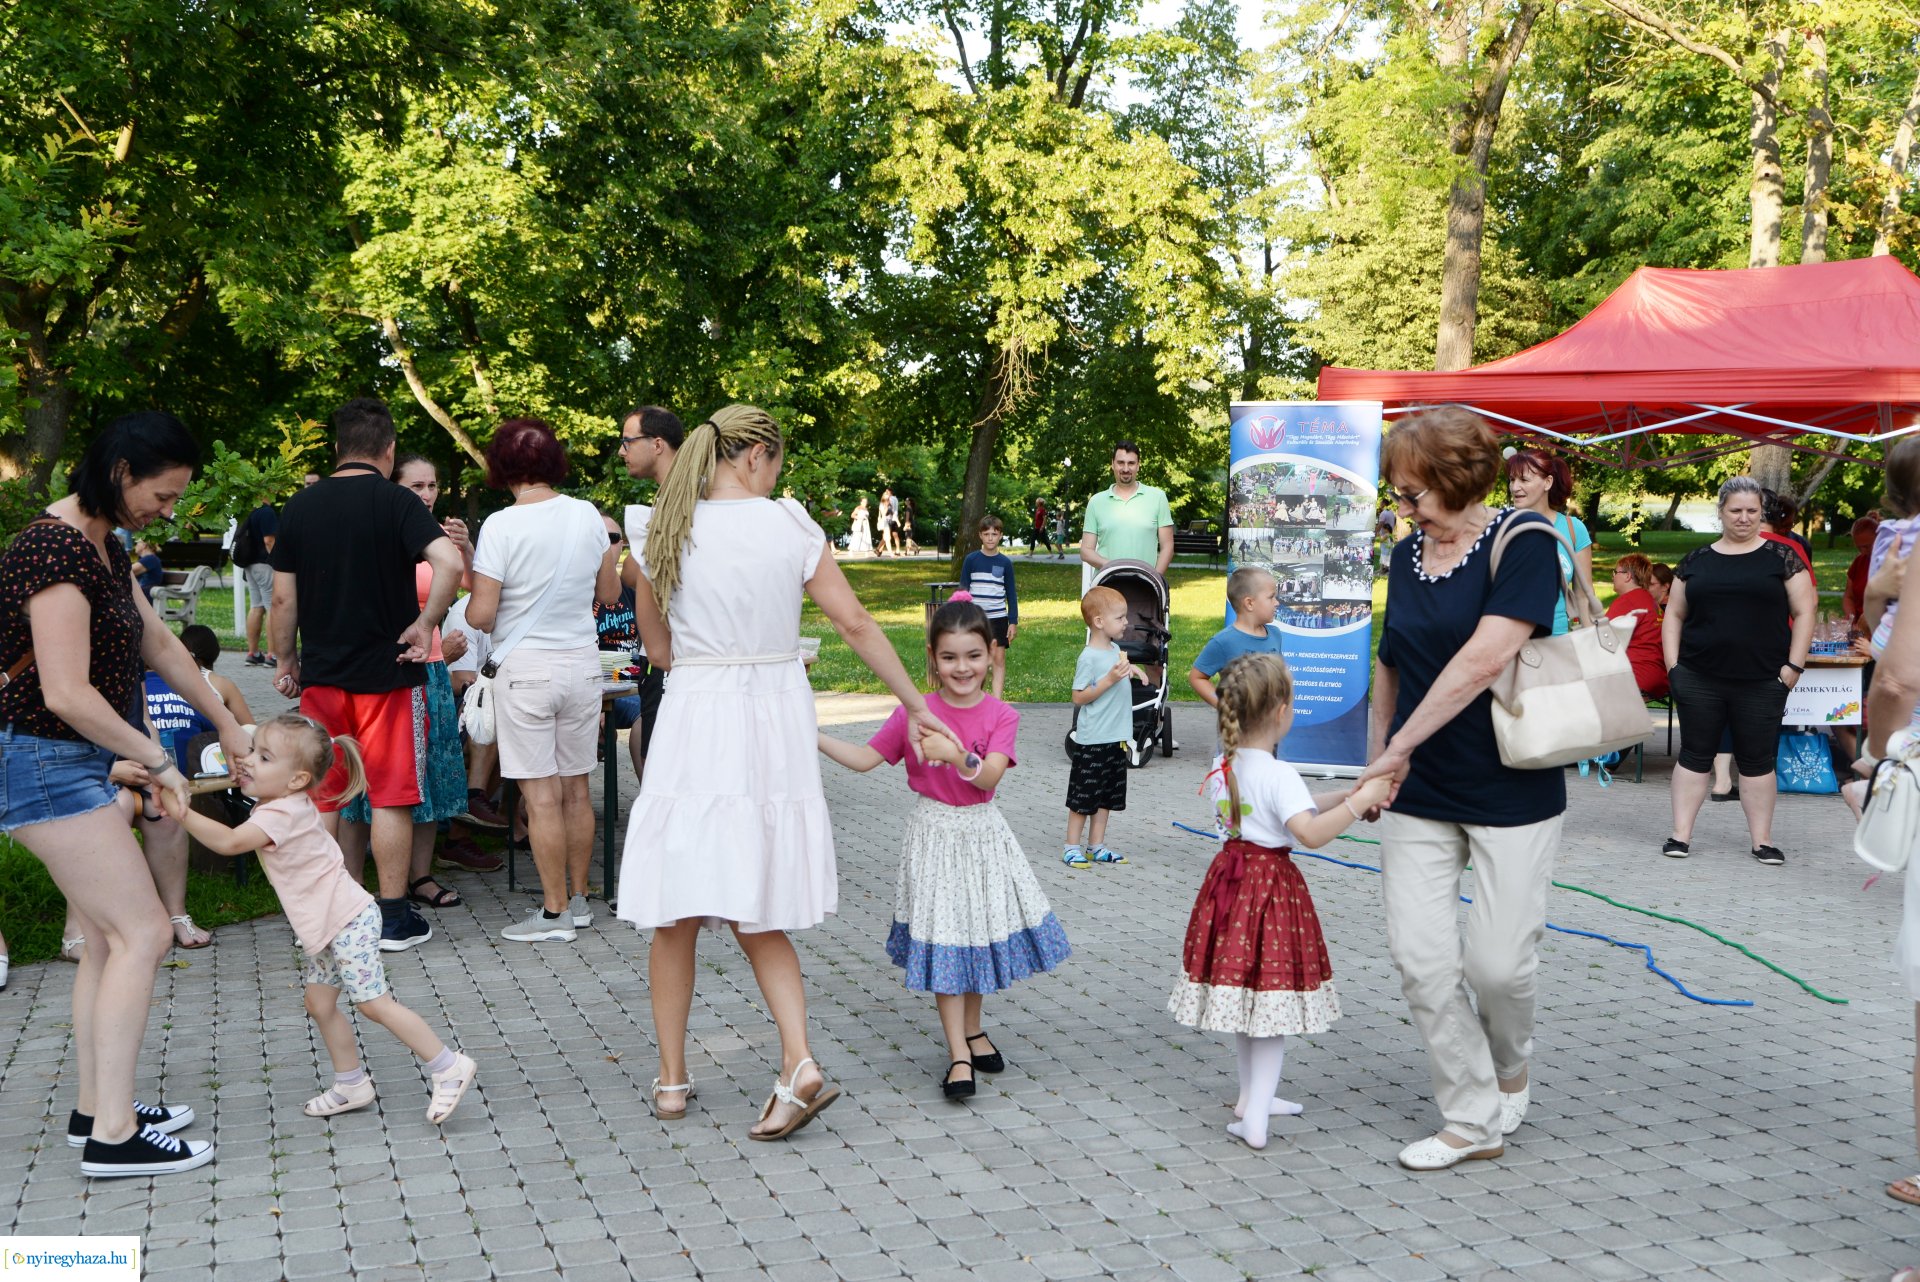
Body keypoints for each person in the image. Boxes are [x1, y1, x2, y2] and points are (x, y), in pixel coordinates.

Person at [614, 404, 961, 1139]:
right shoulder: (789, 526)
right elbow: (856, 624)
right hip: (771, 715)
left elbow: (660, 651)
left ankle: (673, 1081)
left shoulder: (659, 530)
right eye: (777, 464)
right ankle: (798, 1059)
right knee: (758, 902)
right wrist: (914, 705)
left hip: (697, 712)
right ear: (756, 457)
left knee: (675, 906)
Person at [0, 411, 251, 1177]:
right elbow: (68, 692)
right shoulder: (52, 547)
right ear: (121, 473)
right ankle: (114, 1137)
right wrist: (157, 759)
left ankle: (95, 1108)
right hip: (43, 760)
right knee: (143, 932)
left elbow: (165, 646)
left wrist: (225, 725)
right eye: (163, 494)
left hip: (65, 758)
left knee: (110, 940)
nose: (168, 510)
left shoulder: (106, 546)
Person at [1357, 407, 1567, 1172]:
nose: (1403, 509)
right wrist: (1382, 751)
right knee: (1421, 959)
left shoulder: (1525, 544)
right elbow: (1393, 658)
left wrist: (1395, 751)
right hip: (1418, 789)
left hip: (1511, 783)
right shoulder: (1409, 555)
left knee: (1499, 968)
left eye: (1414, 494)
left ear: (1459, 481)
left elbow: (1484, 661)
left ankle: (1510, 1064)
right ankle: (1472, 1118)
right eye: (1398, 495)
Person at [162, 714, 478, 1125]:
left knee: (374, 1004)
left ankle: (447, 1066)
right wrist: (246, 767)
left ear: (296, 780)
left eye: (264, 757)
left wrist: (178, 809)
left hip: (347, 920)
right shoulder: (277, 801)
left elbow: (229, 842)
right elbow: (251, 785)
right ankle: (351, 1084)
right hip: (329, 926)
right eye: (254, 752)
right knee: (319, 1002)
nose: (250, 762)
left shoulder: (281, 814)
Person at [817, 598, 1069, 1101]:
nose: (963, 668)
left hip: (981, 837)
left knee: (977, 937)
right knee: (948, 939)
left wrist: (957, 755)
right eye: (950, 657)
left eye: (973, 656)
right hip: (933, 838)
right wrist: (813, 735)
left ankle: (974, 1031)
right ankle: (958, 1051)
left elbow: (990, 777)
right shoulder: (917, 711)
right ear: (933, 658)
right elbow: (867, 759)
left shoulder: (1002, 715)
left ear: (992, 655)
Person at [1171, 653, 1391, 1150]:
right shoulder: (1279, 774)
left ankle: (1253, 1100)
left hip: (1229, 886)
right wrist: (1358, 803)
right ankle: (1256, 1121)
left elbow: (1293, 804)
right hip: (1270, 893)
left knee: (1249, 1002)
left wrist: (1350, 791)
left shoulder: (1224, 767)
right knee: (1270, 1008)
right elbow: (1308, 832)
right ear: (1281, 712)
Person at [269, 398, 464, 952]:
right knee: (390, 797)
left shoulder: (301, 506)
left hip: (324, 676)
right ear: (389, 449)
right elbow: (448, 563)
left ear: (337, 447)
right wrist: (425, 625)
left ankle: (324, 913)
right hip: (387, 674)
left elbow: (283, 598)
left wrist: (287, 661)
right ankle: (394, 917)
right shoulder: (397, 502)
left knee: (325, 795)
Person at [464, 420, 621, 943]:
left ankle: (553, 915)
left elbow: (483, 616)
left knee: (540, 797)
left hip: (527, 669)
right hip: (582, 664)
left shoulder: (500, 526)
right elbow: (609, 591)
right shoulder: (587, 516)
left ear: (501, 466)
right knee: (577, 789)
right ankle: (578, 903)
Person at [336, 454, 485, 893]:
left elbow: (475, 595)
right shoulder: (380, 530)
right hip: (387, 669)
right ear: (394, 487)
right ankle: (351, 882)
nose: (426, 495)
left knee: (432, 777)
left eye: (432, 486)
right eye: (415, 486)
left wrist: (468, 551)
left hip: (434, 668)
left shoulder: (440, 537)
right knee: (372, 778)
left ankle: (421, 876)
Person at [1661, 476, 1815, 865]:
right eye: (1736, 510)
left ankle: (1762, 841)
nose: (1744, 518)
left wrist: (1793, 666)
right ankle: (1680, 835)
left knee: (1757, 760)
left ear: (1761, 512)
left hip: (1764, 678)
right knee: (1694, 754)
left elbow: (1805, 611)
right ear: (1721, 513)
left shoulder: (1783, 558)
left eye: (1752, 511)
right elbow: (1674, 615)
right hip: (1698, 676)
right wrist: (1673, 666)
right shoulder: (1696, 561)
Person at [616, 405, 682, 788]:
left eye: (628, 441)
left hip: (675, 660)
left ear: (657, 444)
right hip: (672, 658)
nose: (622, 451)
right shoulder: (669, 499)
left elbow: (636, 575)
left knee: (666, 769)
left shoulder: (679, 502)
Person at [1063, 585, 1134, 869]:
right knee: (1083, 796)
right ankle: (1071, 847)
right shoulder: (1088, 657)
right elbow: (1078, 696)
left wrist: (1134, 670)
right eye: (1121, 617)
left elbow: (1119, 669)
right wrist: (1108, 681)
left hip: (1116, 737)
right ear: (1100, 622)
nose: (1126, 622)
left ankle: (1096, 845)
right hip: (1093, 740)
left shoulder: (1115, 649)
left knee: (1106, 796)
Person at [1503, 449, 1590, 636]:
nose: (1515, 487)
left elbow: (1583, 597)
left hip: (1560, 646)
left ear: (1548, 482)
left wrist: (1592, 644)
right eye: (1512, 480)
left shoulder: (1573, 529)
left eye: (1524, 480)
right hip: (1509, 646)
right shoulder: (1502, 529)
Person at [1189, 567, 1283, 709]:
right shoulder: (1223, 641)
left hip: (1270, 724)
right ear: (1249, 603)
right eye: (1271, 597)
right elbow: (1197, 678)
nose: (1277, 602)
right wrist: (1224, 705)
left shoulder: (1275, 634)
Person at [1080, 441, 1174, 580]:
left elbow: (1168, 546)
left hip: (1146, 587)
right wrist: (1112, 567)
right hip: (1107, 586)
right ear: (1112, 464)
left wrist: (1155, 579)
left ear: (1138, 465)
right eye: (1120, 462)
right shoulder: (1096, 502)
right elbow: (1086, 551)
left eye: (1131, 463)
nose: (1125, 468)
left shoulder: (1158, 497)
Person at [960, 517, 1019, 700]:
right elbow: (963, 590)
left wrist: (1013, 621)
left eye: (994, 534)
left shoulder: (1005, 563)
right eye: (987, 534)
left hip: (999, 618)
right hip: (976, 619)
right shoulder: (971, 560)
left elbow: (1011, 593)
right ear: (980, 536)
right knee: (978, 660)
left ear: (1000, 535)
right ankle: (977, 699)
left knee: (998, 660)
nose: (990, 538)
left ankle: (997, 701)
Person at [1605, 554, 1668, 699]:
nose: (1613, 577)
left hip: (1636, 676)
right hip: (1659, 676)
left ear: (1627, 576)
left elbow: (1601, 636)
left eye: (1615, 572)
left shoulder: (1628, 600)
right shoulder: (1650, 600)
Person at [232, 496, 278, 665]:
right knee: (272, 607)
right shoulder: (266, 512)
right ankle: (272, 655)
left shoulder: (248, 511)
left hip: (249, 565)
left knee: (256, 606)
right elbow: (269, 540)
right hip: (264, 565)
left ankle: (253, 653)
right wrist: (277, 561)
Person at [878, 486, 899, 556]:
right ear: (884, 498)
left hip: (890, 521)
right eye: (887, 498)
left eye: (888, 499)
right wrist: (886, 507)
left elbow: (893, 513)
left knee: (886, 537)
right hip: (884, 522)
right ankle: (891, 553)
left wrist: (897, 521)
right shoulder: (881, 504)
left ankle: (878, 549)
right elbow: (883, 514)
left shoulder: (889, 504)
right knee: (887, 538)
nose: (889, 499)